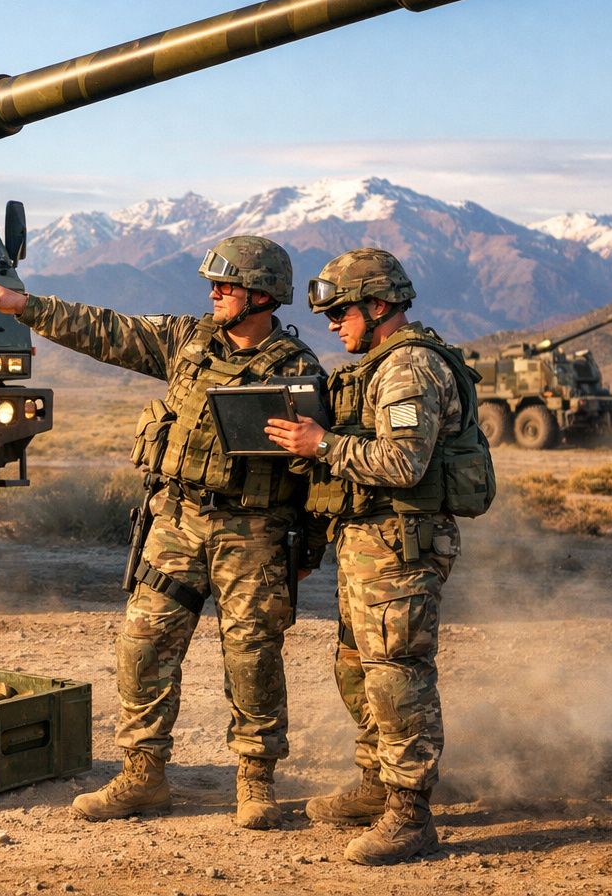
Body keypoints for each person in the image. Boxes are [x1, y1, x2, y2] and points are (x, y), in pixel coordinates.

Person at [0, 236, 325, 828]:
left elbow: (315, 476)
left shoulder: (298, 370)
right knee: (143, 643)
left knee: (253, 654)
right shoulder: (188, 340)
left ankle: (256, 780)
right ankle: (143, 775)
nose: (214, 293)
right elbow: (104, 328)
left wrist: (307, 549)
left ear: (262, 294)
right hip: (177, 520)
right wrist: (19, 304)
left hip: (254, 532)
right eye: (213, 283)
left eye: (227, 285)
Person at [264, 247, 480, 865]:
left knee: (397, 676)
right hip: (368, 546)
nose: (333, 324)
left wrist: (324, 444)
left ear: (377, 305)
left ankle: (410, 816)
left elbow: (404, 463)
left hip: (401, 547)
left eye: (341, 312)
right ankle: (376, 787)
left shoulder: (409, 368)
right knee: (358, 667)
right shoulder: (381, 366)